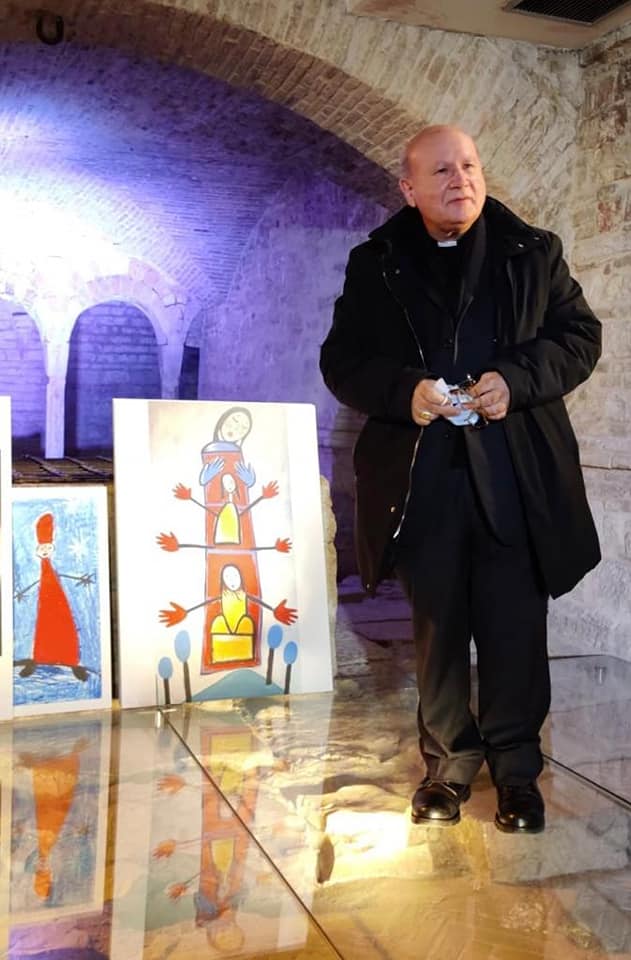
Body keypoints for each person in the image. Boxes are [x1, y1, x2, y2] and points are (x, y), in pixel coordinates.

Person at [320, 125, 601, 833]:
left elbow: (578, 337)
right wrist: (404, 392)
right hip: (423, 478)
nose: (461, 179)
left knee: (514, 628)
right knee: (438, 630)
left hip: (514, 474)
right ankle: (447, 766)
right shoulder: (376, 263)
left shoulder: (533, 252)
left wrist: (517, 378)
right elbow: (342, 361)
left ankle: (517, 774)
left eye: (470, 165)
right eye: (442, 170)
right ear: (409, 187)